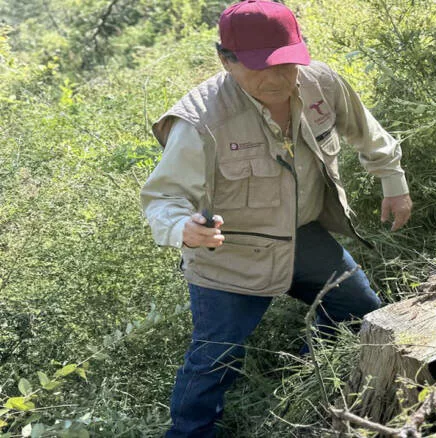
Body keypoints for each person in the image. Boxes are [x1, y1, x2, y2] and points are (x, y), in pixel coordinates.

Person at [140, 1, 412, 436]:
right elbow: (162, 198)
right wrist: (183, 230)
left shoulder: (321, 83)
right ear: (225, 61)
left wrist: (393, 181)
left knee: (362, 314)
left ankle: (306, 378)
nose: (276, 78)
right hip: (230, 253)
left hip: (302, 235)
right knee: (215, 357)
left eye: (285, 62)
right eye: (258, 67)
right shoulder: (199, 120)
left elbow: (368, 133)